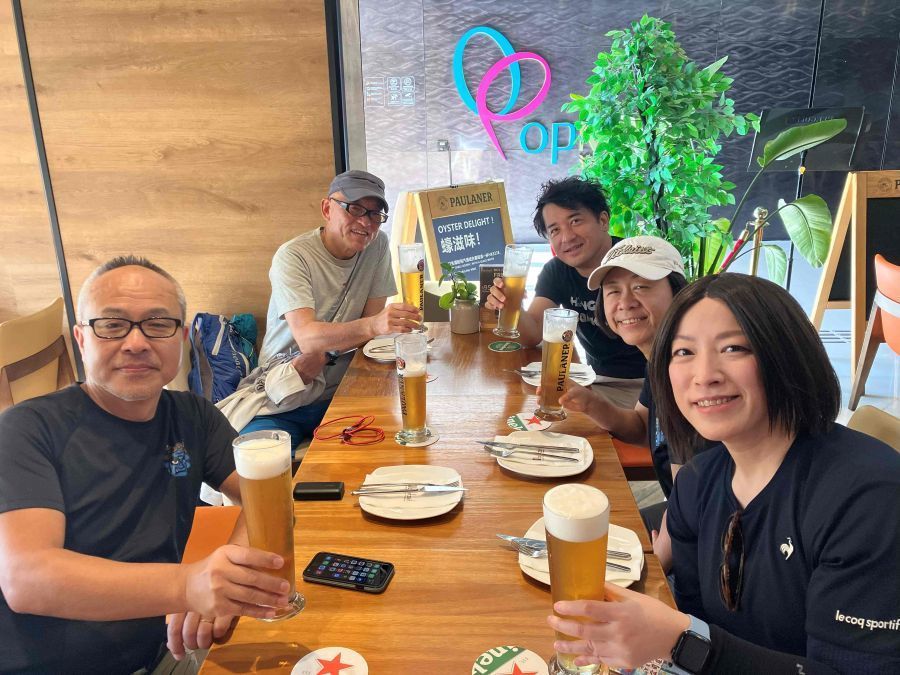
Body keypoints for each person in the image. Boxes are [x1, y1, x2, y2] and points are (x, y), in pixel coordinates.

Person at [548, 273, 900, 674]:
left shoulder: (867, 499)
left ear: (787, 354)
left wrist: (682, 643)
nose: (704, 375)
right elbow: (693, 617)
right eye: (684, 352)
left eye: (733, 348)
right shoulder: (698, 482)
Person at [0, 257, 291, 674]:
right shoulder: (26, 429)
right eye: (111, 325)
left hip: (166, 649)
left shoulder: (194, 417)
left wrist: (232, 577)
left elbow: (271, 499)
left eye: (157, 324)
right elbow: (27, 579)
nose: (136, 343)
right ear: (81, 339)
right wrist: (186, 586)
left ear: (182, 337)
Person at [239, 169, 419, 451]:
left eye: (374, 214)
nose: (365, 222)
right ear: (327, 209)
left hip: (342, 395)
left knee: (399, 445)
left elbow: (368, 338)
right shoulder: (294, 256)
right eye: (355, 208)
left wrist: (378, 329)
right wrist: (374, 324)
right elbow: (308, 339)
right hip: (284, 397)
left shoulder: (377, 246)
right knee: (257, 462)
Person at [558, 235, 699, 568]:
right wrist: (590, 404)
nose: (625, 302)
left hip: (708, 535)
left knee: (577, 550)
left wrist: (661, 559)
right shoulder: (658, 359)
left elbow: (692, 494)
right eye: (613, 291)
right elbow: (641, 428)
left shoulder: (689, 373)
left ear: (678, 293)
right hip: (684, 515)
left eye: (641, 287)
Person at [484, 177, 645, 407]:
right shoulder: (557, 271)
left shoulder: (637, 263)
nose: (567, 237)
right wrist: (512, 305)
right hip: (597, 382)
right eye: (555, 230)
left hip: (651, 382)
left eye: (575, 221)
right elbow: (533, 334)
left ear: (603, 220)